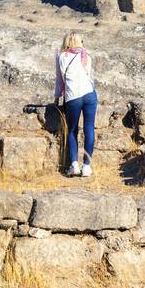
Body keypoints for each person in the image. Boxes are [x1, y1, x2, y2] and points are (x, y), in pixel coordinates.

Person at [54, 31, 97, 178]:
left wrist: (57, 97)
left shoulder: (62, 56)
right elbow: (88, 76)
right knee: (89, 128)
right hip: (90, 94)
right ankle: (86, 166)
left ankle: (74, 165)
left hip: (73, 97)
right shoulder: (86, 56)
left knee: (72, 130)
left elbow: (59, 79)